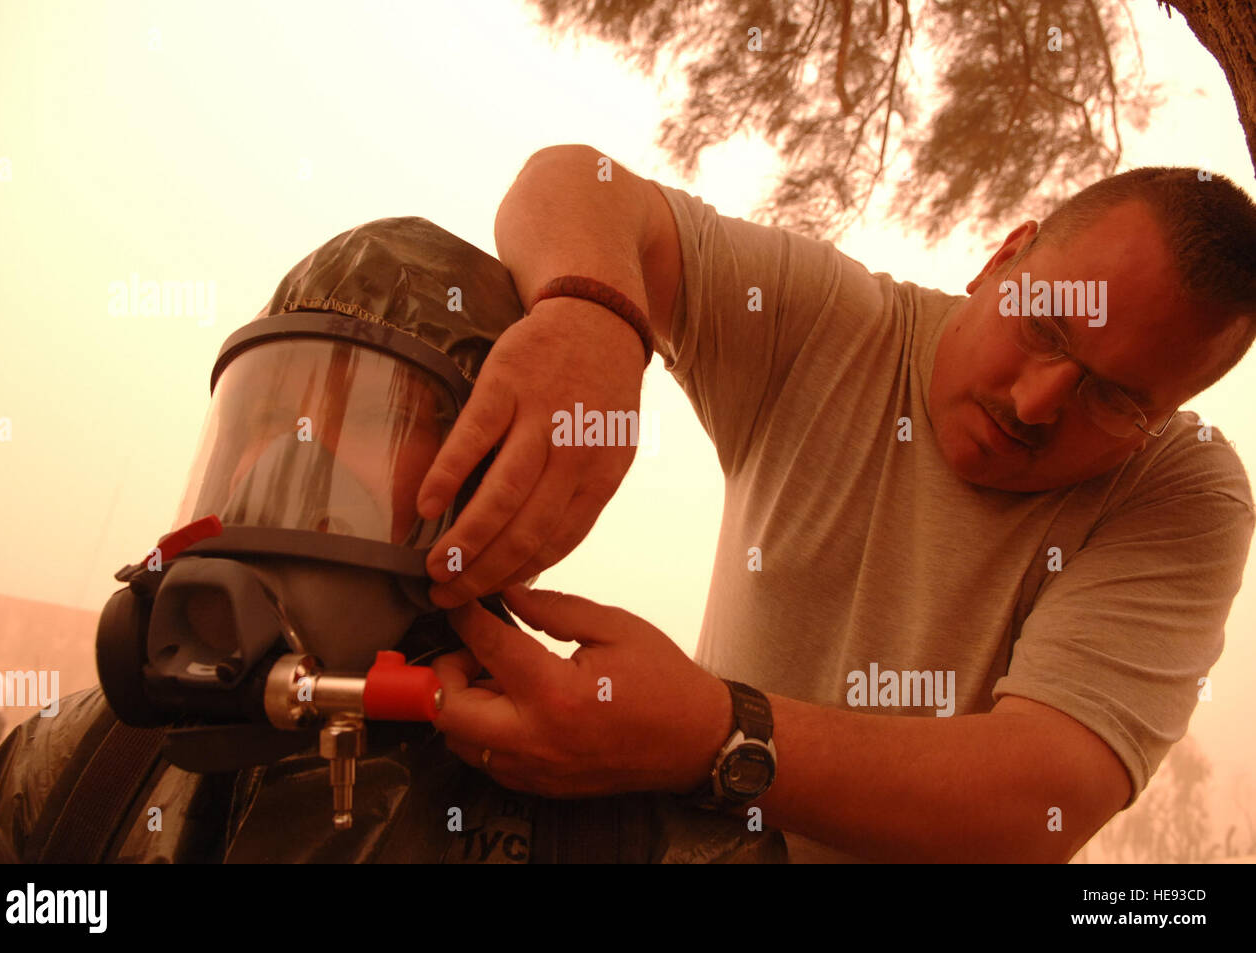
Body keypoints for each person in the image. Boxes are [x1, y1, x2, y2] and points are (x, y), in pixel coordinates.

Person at [415, 148, 1256, 862]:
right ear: (1004, 257)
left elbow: (1042, 797)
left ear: (1166, 413)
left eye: (1114, 399)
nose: (1037, 404)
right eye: (1046, 326)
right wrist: (590, 316)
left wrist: (710, 735)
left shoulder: (1182, 491)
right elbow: (571, 181)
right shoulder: (834, 324)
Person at [0, 215, 785, 863]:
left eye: (362, 419)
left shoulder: (624, 827)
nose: (286, 458)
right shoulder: (78, 763)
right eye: (268, 414)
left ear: (489, 479)